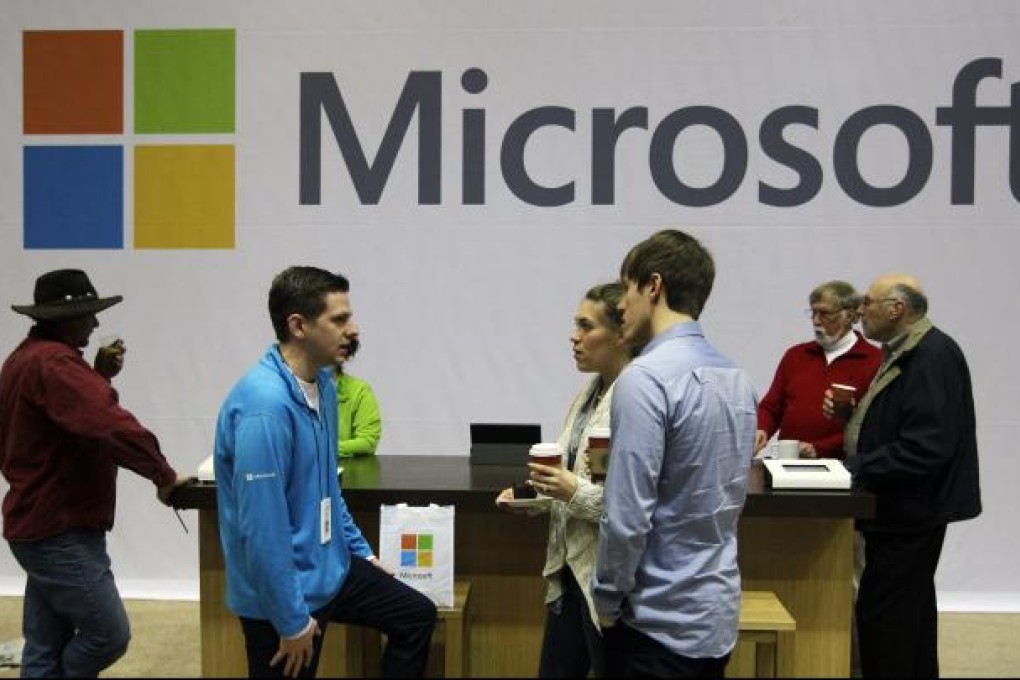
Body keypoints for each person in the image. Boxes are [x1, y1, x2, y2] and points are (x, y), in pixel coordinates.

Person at [214, 266, 436, 679]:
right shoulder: (264, 408)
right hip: (280, 596)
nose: (353, 329)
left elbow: (327, 491)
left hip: (329, 569)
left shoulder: (325, 387)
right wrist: (292, 620)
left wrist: (363, 553)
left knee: (415, 615)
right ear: (298, 325)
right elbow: (262, 531)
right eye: (339, 319)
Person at [0, 269, 189, 678]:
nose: (97, 322)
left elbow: (68, 423)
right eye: (89, 314)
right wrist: (163, 475)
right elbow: (107, 425)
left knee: (43, 645)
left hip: (33, 524)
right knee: (109, 634)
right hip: (61, 529)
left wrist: (97, 376)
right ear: (68, 318)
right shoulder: (57, 367)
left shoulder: (25, 359)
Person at [593, 230, 757, 678]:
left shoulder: (645, 379)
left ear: (653, 286)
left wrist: (606, 596)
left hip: (655, 623)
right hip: (716, 614)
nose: (621, 304)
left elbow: (628, 517)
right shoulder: (737, 378)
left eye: (627, 288)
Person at [826, 273, 981, 678]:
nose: (860, 310)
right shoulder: (909, 350)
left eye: (868, 303)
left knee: (886, 621)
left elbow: (926, 446)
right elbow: (909, 428)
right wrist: (854, 417)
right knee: (908, 617)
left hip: (909, 514)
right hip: (903, 511)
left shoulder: (931, 356)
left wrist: (854, 468)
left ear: (897, 309)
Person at [496, 282, 634, 678]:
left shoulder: (634, 399)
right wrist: (533, 497)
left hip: (607, 579)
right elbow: (570, 476)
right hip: (568, 572)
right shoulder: (589, 391)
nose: (574, 337)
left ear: (621, 334)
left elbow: (628, 503)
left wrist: (569, 490)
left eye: (586, 326)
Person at [755, 281, 881, 459]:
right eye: (813, 312)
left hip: (843, 469)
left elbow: (871, 427)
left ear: (850, 316)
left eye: (825, 314)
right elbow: (771, 406)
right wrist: (762, 428)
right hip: (789, 464)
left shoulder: (875, 361)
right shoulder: (795, 355)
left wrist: (820, 448)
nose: (815, 320)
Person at [332, 331, 383, 458]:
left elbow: (368, 441)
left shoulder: (359, 390)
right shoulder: (291, 388)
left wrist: (322, 450)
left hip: (345, 471)